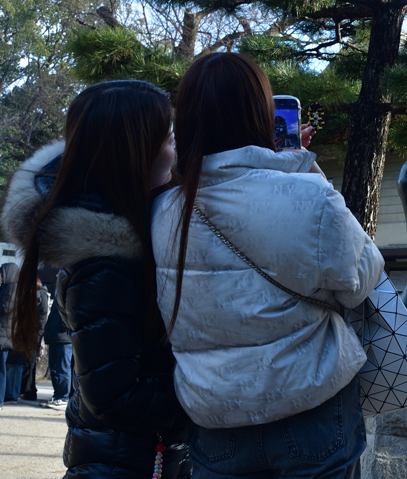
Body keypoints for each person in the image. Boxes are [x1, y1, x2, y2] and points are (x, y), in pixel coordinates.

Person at [151, 52, 384, 479]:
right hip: (313, 410)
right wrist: (308, 172)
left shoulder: (165, 212)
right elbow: (362, 280)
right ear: (261, 114)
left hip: (216, 418)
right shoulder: (311, 196)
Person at [0, 80, 192, 477]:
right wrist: (209, 393)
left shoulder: (129, 231)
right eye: (169, 139)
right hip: (126, 465)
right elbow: (114, 395)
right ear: (136, 152)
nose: (177, 152)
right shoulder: (108, 263)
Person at [42, 292, 72, 409]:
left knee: (63, 368)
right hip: (55, 335)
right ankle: (58, 394)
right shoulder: (59, 293)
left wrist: (63, 326)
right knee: (55, 368)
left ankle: (63, 396)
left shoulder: (67, 291)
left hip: (63, 336)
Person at [0, 262, 17, 408]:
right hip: (3, 334)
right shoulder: (6, 288)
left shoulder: (12, 288)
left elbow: (5, 308)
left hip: (2, 335)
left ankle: (0, 399)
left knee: (1, 370)